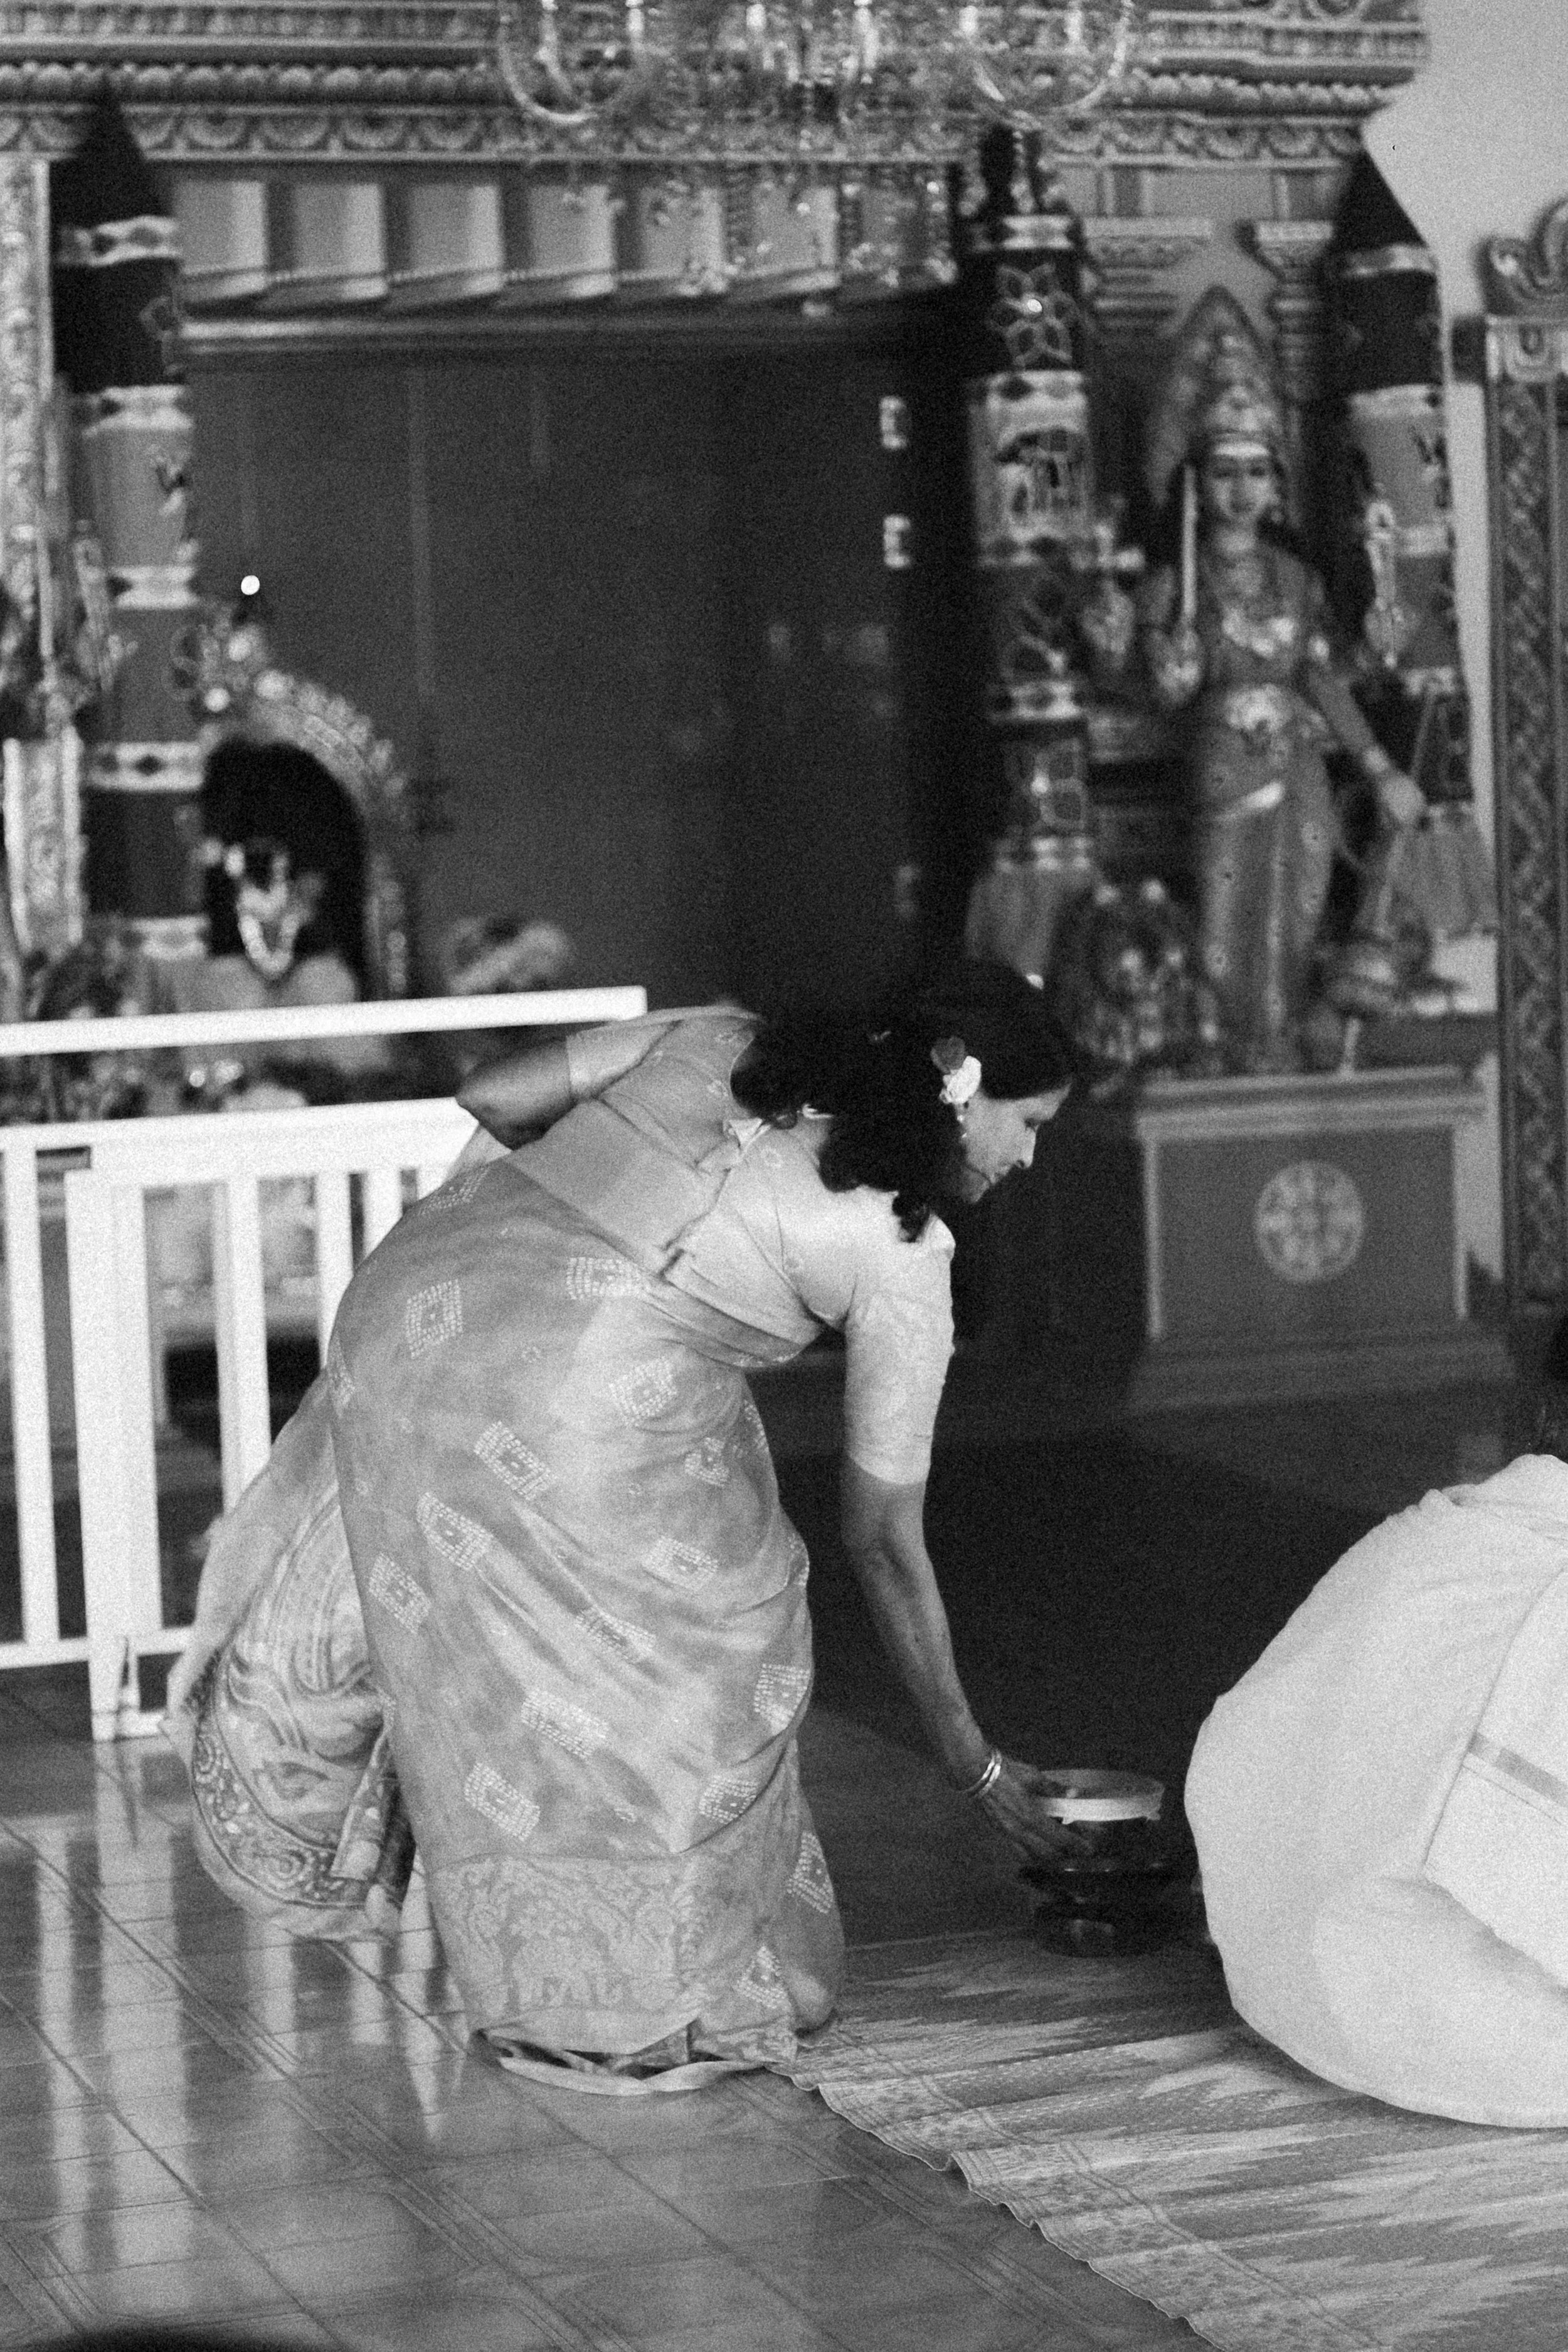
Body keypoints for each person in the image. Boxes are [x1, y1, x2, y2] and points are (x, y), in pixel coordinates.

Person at [166, 961, 1078, 2092]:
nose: (1029, 1156)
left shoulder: (723, 1032)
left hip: (403, 1321)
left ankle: (545, 1977)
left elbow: (495, 1099)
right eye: (1030, 1123)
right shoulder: (902, 1251)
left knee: (523, 1653)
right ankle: (633, 2005)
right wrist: (973, 1764)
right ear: (962, 1089)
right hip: (564, 1394)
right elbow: (882, 1539)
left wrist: (589, 1192)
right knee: (715, 1634)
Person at [1187, 1343, 1568, 2127]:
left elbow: (1244, 1751)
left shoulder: (1427, 1535)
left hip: (1283, 1977)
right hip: (1469, 2030)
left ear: (1539, 1414)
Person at [1134, 293, 1424, 1073]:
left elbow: (1323, 681)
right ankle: (1224, 1048)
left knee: (1300, 912)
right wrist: (1165, 652)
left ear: (1277, 481)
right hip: (1222, 765)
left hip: (1299, 771)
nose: (1241, 489)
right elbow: (1164, 693)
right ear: (1196, 481)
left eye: (1256, 472)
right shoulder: (1173, 585)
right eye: (1225, 472)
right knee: (1223, 917)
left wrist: (1380, 768)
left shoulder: (1296, 580)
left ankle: (1291, 1044)